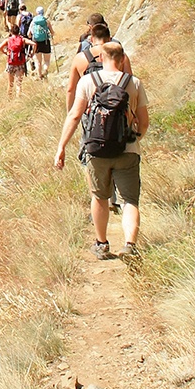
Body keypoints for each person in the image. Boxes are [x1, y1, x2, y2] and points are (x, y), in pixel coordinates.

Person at [54, 42, 149, 259]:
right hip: (128, 151)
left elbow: (75, 115)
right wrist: (135, 138)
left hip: (96, 149)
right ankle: (130, 245)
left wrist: (61, 147)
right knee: (129, 201)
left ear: (101, 58)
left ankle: (102, 243)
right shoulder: (133, 83)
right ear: (123, 58)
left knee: (99, 198)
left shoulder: (88, 81)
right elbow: (144, 122)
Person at [67, 20, 134, 113]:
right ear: (110, 39)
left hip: (91, 113)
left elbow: (71, 89)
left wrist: (70, 112)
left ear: (91, 39)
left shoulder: (80, 58)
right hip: (117, 110)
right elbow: (130, 83)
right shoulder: (121, 56)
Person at [0, 27, 30, 99]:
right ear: (18, 31)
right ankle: (18, 99)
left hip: (11, 63)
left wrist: (6, 53)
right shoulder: (22, 39)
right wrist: (31, 54)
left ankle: (9, 98)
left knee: (10, 84)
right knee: (18, 83)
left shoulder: (8, 40)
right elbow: (34, 44)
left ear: (11, 32)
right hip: (20, 63)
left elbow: (0, 47)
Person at [29, 6, 55, 79]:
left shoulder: (33, 21)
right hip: (45, 42)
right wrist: (51, 35)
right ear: (43, 12)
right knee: (46, 60)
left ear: (37, 13)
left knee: (38, 61)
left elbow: (29, 33)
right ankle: (45, 70)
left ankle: (39, 75)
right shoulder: (46, 21)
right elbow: (52, 32)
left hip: (36, 43)